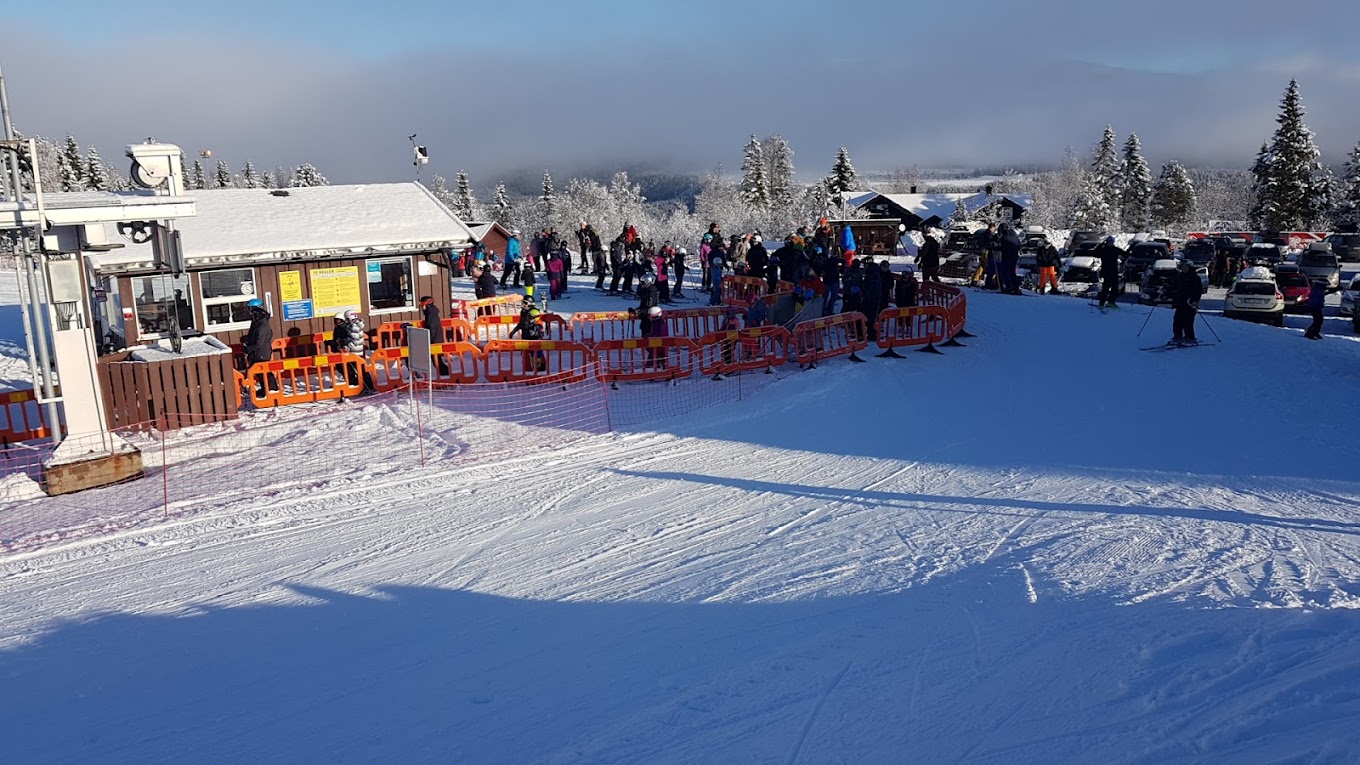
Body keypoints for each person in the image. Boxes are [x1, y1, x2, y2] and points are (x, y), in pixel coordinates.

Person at [332, 309, 372, 391]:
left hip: (356, 351)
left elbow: (355, 341)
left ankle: (368, 387)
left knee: (360, 370)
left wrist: (346, 347)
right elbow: (352, 338)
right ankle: (362, 386)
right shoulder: (353, 326)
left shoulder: (354, 327)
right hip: (355, 351)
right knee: (358, 369)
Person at [243, 298, 275, 396]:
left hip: (261, 352)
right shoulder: (256, 323)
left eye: (251, 309)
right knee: (259, 372)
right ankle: (266, 389)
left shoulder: (262, 326)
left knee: (264, 372)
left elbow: (259, 343)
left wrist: (248, 349)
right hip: (257, 352)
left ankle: (271, 389)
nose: (250, 312)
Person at [1168, 258, 1204, 345]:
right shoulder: (1180, 276)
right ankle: (1178, 336)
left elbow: (1198, 290)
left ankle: (1190, 338)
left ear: (1189, 267)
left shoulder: (1195, 278)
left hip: (1190, 303)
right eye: (1182, 266)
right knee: (1177, 320)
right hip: (1180, 302)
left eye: (1185, 266)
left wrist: (1195, 300)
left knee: (1188, 321)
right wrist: (1166, 289)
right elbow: (1174, 287)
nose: (1183, 268)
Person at [509, 305, 548, 371]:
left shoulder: (538, 325)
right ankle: (534, 368)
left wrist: (534, 333)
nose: (530, 319)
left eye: (531, 317)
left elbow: (540, 333)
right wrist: (514, 331)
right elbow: (521, 325)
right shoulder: (528, 322)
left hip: (537, 344)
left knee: (538, 356)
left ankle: (540, 368)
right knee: (532, 356)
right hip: (530, 343)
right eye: (529, 317)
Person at [420, 295, 450, 375]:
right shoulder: (430, 314)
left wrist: (430, 339)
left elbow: (432, 328)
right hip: (435, 339)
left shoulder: (431, 315)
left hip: (435, 340)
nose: (422, 307)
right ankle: (445, 375)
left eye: (422, 305)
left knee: (437, 361)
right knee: (436, 360)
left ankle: (446, 375)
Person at [1095, 235, 1124, 310]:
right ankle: (1101, 303)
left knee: (1115, 288)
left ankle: (1111, 302)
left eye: (1112, 242)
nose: (1111, 243)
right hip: (1106, 272)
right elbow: (1095, 253)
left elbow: (1124, 253)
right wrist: (1101, 244)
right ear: (1107, 242)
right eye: (1110, 242)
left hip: (1114, 271)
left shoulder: (1115, 249)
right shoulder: (1103, 250)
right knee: (1106, 288)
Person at [998, 222, 1022, 294]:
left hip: (1007, 256)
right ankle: (1015, 287)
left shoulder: (1005, 236)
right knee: (1012, 272)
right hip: (1014, 256)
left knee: (1005, 272)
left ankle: (1009, 287)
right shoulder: (1014, 235)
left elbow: (1004, 247)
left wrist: (995, 247)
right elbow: (1018, 245)